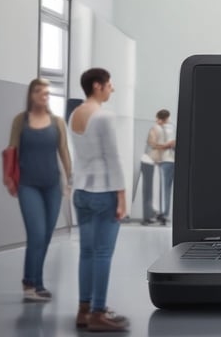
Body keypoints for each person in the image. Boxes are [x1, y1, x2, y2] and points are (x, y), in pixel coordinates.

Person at [70, 68, 129, 332]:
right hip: (103, 192)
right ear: (98, 86)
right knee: (103, 253)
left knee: (86, 252)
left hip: (81, 191)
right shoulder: (104, 116)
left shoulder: (74, 115)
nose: (112, 89)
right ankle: (98, 312)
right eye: (109, 84)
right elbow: (113, 158)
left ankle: (84, 310)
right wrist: (122, 196)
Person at [5, 78, 72, 303]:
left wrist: (70, 179)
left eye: (46, 92)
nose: (44, 95)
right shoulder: (20, 121)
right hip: (28, 186)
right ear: (31, 95)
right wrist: (9, 178)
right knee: (35, 234)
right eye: (39, 91)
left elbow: (63, 151)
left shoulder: (57, 122)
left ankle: (38, 283)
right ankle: (29, 282)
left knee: (44, 237)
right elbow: (11, 150)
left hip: (53, 186)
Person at [151, 109, 176, 224]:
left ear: (161, 119)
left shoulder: (165, 129)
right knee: (166, 189)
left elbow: (168, 144)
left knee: (165, 189)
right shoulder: (170, 128)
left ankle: (164, 215)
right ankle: (164, 214)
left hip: (167, 160)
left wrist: (162, 146)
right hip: (169, 160)